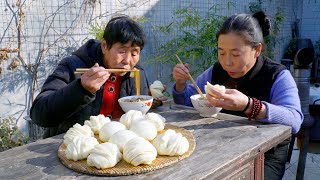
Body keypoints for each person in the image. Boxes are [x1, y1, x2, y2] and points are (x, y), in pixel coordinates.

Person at [172, 12, 303, 180]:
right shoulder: (216, 71)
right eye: (221, 52)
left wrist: (249, 105)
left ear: (257, 50)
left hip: (266, 155)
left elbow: (295, 120)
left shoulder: (277, 75)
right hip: (225, 147)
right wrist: (181, 84)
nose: (227, 62)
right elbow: (188, 100)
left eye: (235, 54)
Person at [30, 15, 149, 138]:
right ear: (104, 46)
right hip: (71, 147)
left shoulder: (136, 73)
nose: (127, 60)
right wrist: (81, 89)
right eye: (122, 51)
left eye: (135, 53)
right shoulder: (73, 66)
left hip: (118, 147)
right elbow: (39, 114)